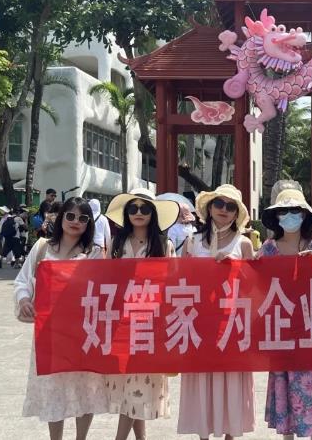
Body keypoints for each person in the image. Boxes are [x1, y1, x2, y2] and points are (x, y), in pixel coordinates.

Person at [14, 197, 107, 440]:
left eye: (82, 218)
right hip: (50, 333)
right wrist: (24, 300)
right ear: (61, 217)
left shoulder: (95, 253)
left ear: (89, 223)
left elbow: (103, 289)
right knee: (53, 389)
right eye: (71, 216)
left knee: (84, 389)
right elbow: (23, 280)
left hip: (83, 332)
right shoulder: (42, 248)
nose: (75, 221)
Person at [260, 188, 312, 439]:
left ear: (305, 215)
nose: (289, 215)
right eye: (283, 211)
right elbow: (258, 286)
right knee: (285, 380)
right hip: (283, 327)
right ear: (276, 217)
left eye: (295, 210)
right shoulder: (267, 249)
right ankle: (287, 435)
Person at [179, 184, 256, 440]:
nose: (224, 210)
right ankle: (203, 434)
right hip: (199, 323)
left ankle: (230, 435)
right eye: (219, 204)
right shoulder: (192, 241)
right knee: (203, 380)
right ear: (210, 208)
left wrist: (236, 267)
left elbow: (254, 288)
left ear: (237, 213)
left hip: (232, 324)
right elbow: (181, 281)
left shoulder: (244, 243)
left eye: (230, 206)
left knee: (231, 381)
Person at [104, 188, 178, 440]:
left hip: (150, 322)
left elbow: (173, 283)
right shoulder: (116, 244)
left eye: (144, 208)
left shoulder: (164, 245)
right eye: (133, 208)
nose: (138, 213)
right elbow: (105, 278)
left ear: (153, 213)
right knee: (128, 383)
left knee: (139, 382)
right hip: (121, 321)